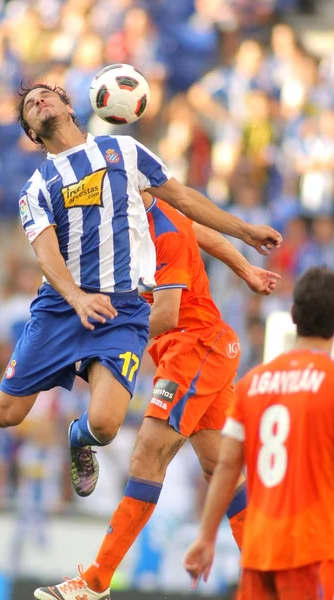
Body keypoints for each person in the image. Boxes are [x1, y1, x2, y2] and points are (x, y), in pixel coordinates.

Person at [0, 83, 281, 503]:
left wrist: (245, 232)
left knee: (106, 425)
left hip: (121, 308)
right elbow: (46, 254)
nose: (37, 102)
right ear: (33, 135)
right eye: (29, 106)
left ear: (70, 106)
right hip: (60, 309)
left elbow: (182, 204)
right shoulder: (36, 188)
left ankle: (80, 437)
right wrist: (76, 298)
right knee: (10, 412)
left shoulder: (125, 153)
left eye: (44, 95)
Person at [33, 192, 280, 600]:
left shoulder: (164, 230)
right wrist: (246, 270)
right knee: (221, 468)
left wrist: (107, 339)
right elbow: (202, 230)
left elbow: (165, 313)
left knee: (147, 455)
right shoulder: (130, 219)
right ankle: (273, 578)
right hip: (190, 349)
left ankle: (96, 582)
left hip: (195, 347)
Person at [184, 265, 334, 600]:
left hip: (259, 550)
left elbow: (226, 467)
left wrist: (206, 537)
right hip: (313, 550)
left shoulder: (252, 384)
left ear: (293, 315)